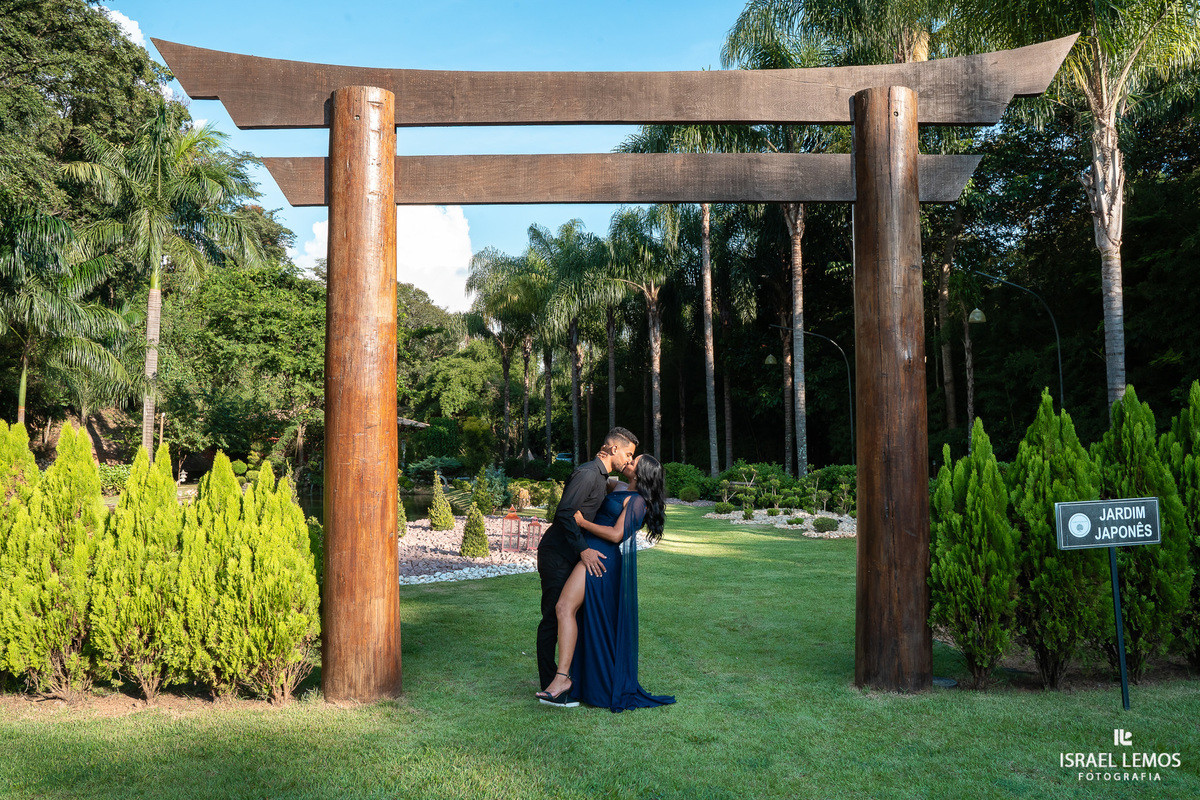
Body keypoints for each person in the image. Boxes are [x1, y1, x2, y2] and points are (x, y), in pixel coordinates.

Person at [537, 454, 675, 712]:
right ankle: (572, 679)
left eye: (634, 462)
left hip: (599, 559)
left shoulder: (638, 503)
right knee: (576, 615)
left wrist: (582, 522)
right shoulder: (619, 487)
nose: (629, 462)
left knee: (564, 608)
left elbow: (616, 534)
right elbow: (596, 477)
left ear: (640, 474)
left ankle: (562, 679)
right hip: (590, 554)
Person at [536, 427, 639, 698]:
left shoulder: (604, 477)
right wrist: (583, 550)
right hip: (558, 553)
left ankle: (573, 679)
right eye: (628, 453)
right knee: (552, 616)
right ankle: (551, 684)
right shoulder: (588, 474)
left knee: (572, 614)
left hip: (576, 555)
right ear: (613, 449)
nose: (629, 460)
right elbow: (565, 515)